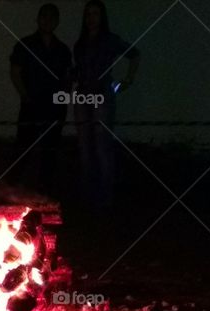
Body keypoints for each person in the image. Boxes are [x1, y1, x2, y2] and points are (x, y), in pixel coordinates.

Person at [73, 0, 139, 211]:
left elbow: (134, 53)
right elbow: (79, 70)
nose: (91, 18)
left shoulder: (110, 40)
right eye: (88, 14)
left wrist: (128, 80)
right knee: (85, 147)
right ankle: (88, 195)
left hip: (102, 94)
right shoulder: (81, 43)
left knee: (102, 146)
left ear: (102, 17)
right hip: (83, 96)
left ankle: (104, 197)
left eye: (95, 14)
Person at [10, 3, 72, 193]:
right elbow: (15, 72)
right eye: (44, 16)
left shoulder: (63, 49)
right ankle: (14, 190)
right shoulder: (25, 44)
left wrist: (63, 99)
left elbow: (67, 77)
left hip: (55, 107)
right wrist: (25, 96)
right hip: (31, 105)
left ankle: (45, 191)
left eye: (52, 17)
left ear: (57, 21)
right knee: (23, 147)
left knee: (50, 150)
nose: (47, 20)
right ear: (38, 19)